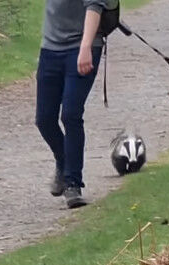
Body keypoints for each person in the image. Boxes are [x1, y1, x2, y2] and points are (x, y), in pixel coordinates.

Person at [35, 0, 110, 208]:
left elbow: (94, 7)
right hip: (50, 48)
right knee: (44, 119)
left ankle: (72, 184)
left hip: (83, 47)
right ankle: (63, 159)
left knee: (70, 114)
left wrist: (85, 47)